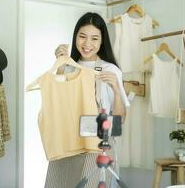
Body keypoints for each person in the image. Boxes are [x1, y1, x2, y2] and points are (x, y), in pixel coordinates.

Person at [44, 12, 130, 188]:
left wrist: (115, 87)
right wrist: (60, 65)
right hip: (67, 142)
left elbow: (120, 119)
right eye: (82, 36)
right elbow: (58, 107)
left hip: (96, 144)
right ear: (75, 37)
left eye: (94, 38)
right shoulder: (67, 67)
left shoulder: (110, 70)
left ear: (101, 41)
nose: (87, 44)